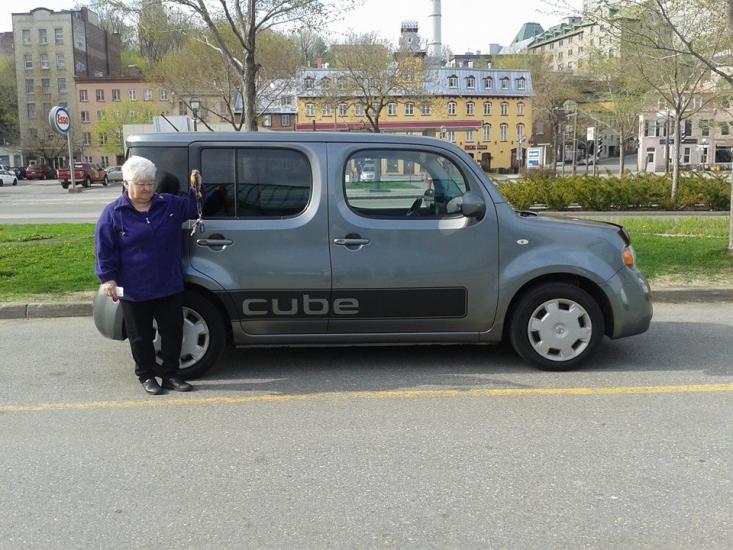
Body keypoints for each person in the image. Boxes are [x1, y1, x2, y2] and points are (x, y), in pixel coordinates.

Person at [95, 156, 203, 395]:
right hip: (134, 288)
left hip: (168, 283)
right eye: (140, 184)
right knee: (140, 336)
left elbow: (194, 207)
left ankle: (171, 375)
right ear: (126, 183)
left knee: (172, 332)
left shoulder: (169, 205)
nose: (146, 188)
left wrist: (196, 186)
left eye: (150, 183)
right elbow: (104, 249)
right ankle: (146, 375)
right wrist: (108, 278)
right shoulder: (113, 213)